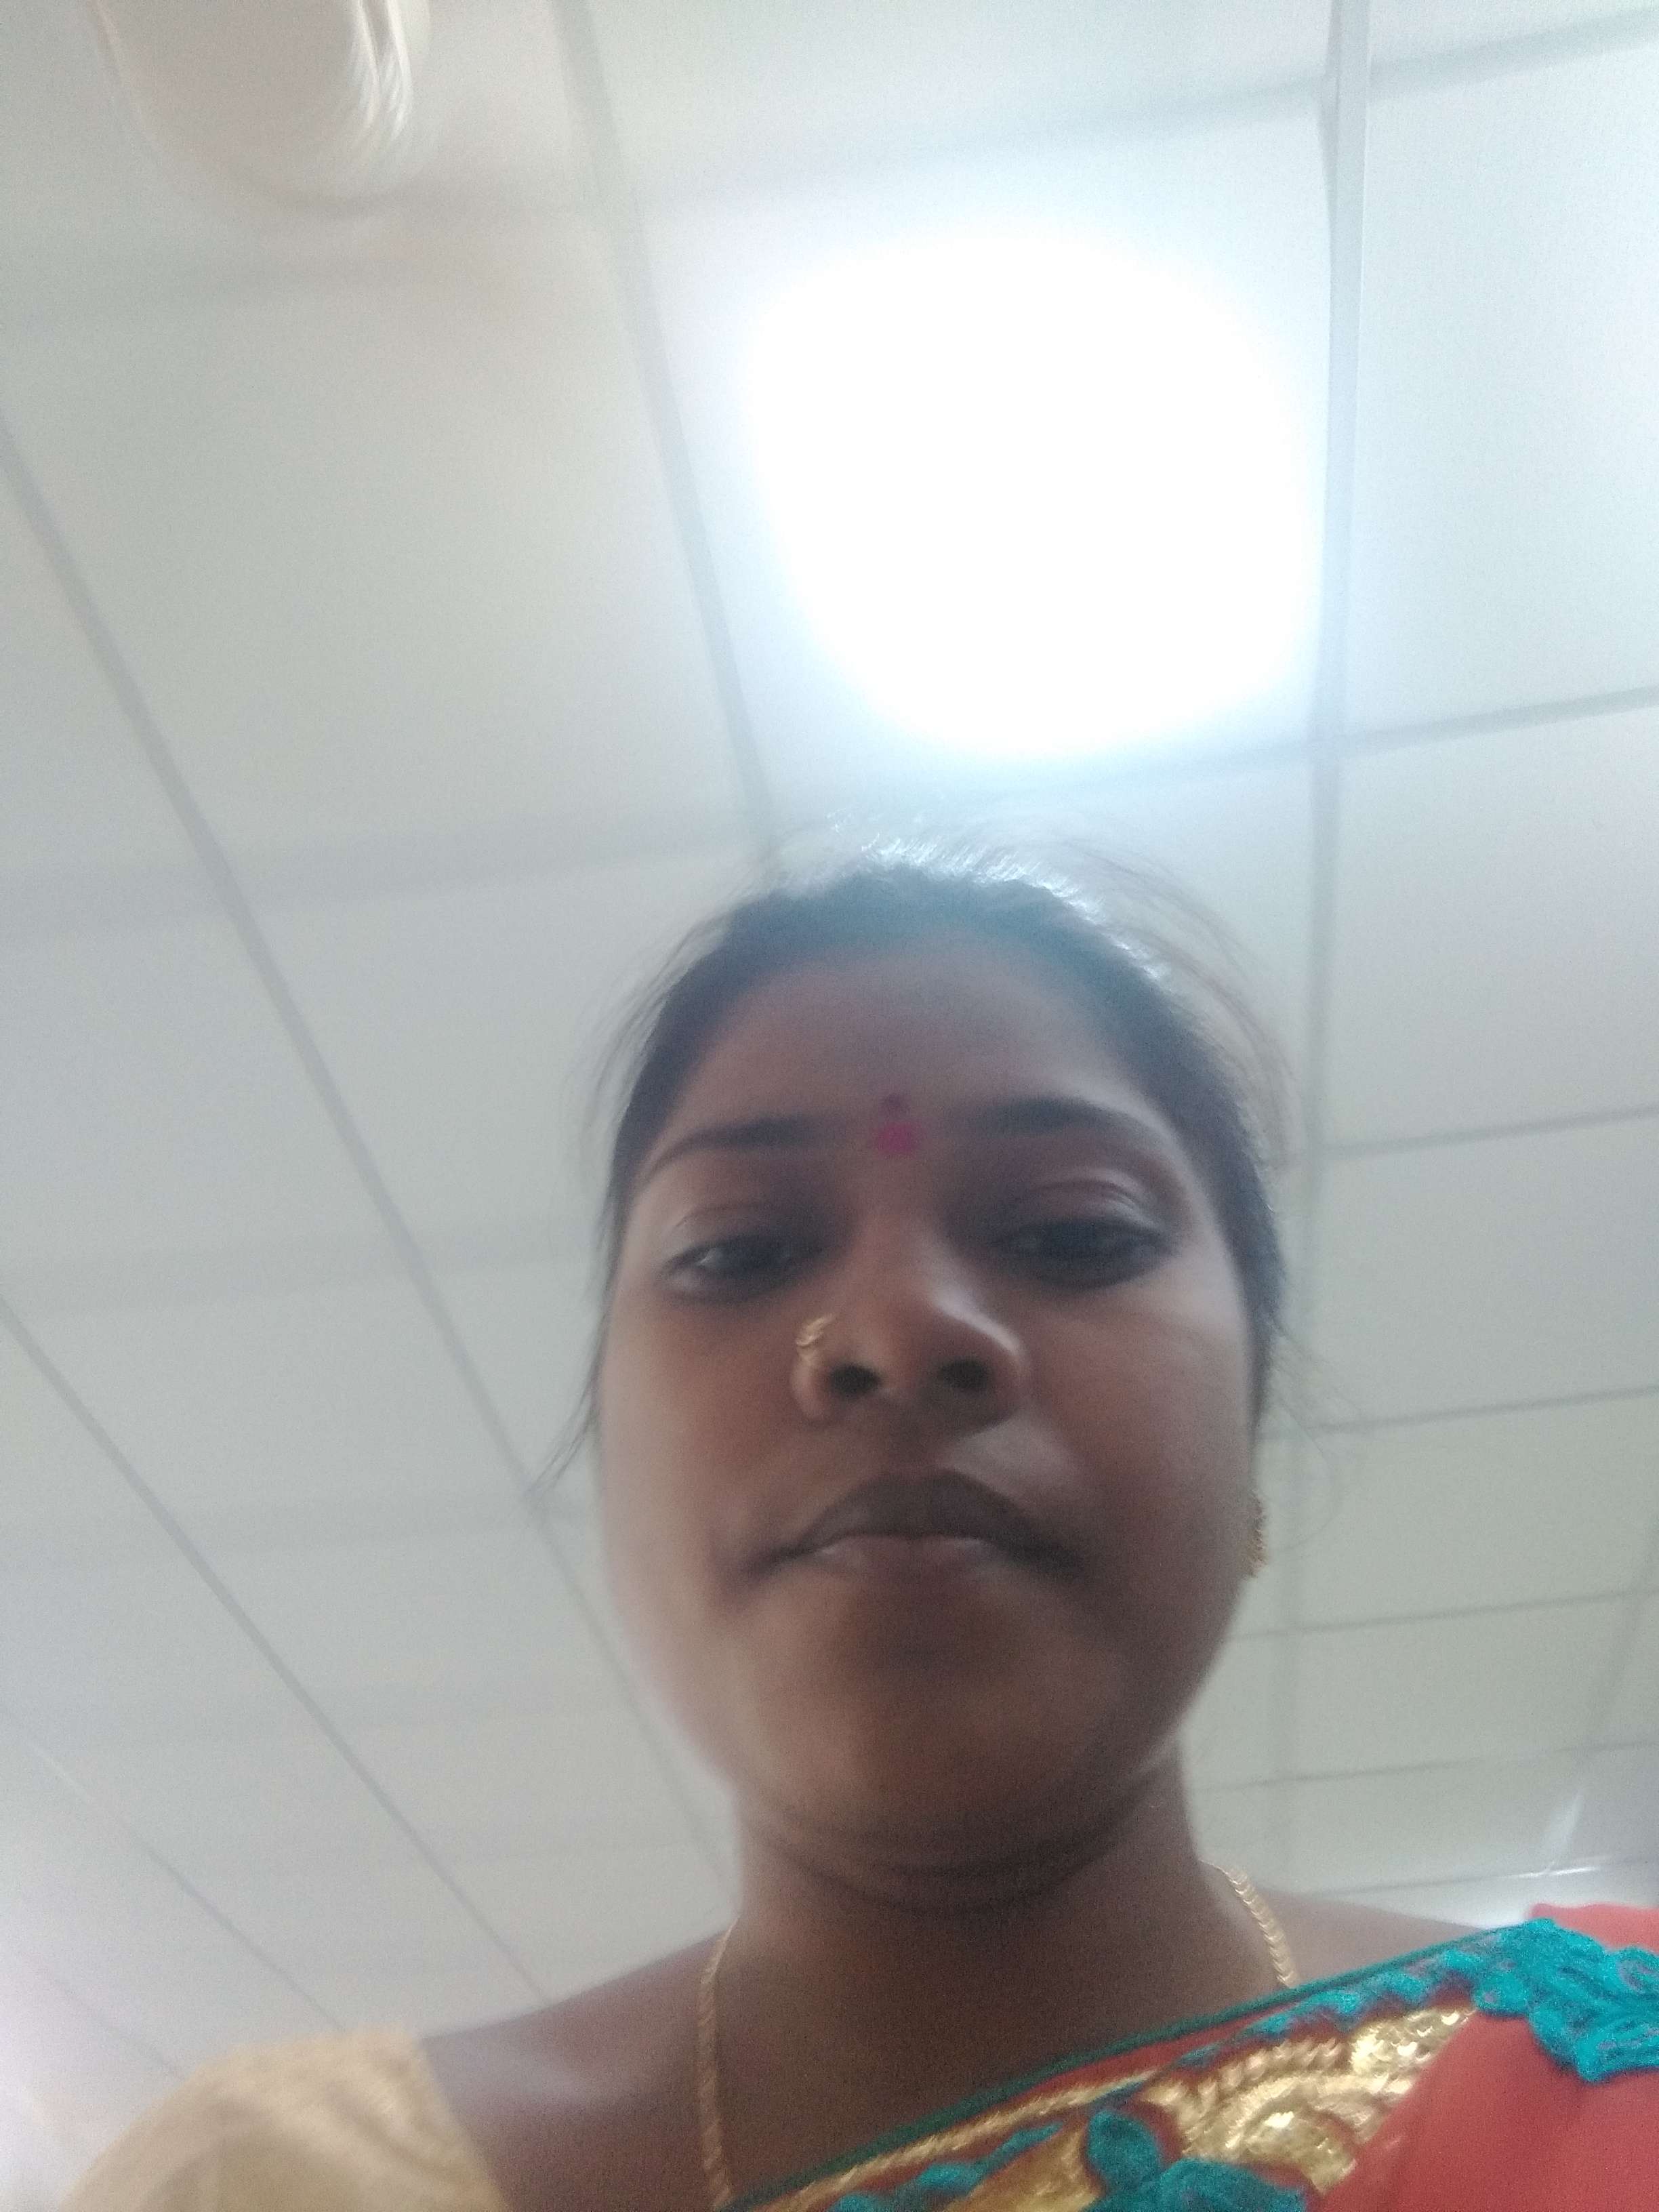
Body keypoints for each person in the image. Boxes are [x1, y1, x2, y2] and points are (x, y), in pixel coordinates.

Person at [69, 851, 1658, 2210]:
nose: (897, 1328)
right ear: (616, 1468)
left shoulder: (1615, 2085)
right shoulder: (267, 2186)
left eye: (1074, 1231)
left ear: (1249, 1448)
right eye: (738, 1252)